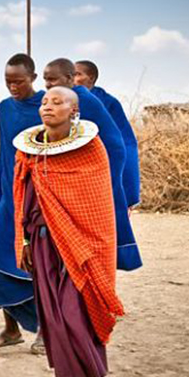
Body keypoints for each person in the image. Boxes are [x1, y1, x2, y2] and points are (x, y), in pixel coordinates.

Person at [13, 86, 124, 377]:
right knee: (54, 315)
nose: (47, 106)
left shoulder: (91, 149)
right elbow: (23, 199)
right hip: (41, 243)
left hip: (81, 246)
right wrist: (24, 240)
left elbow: (96, 206)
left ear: (74, 110)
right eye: (45, 101)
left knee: (75, 312)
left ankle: (86, 372)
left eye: (57, 102)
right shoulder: (28, 152)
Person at [43, 59, 142, 271]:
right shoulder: (61, 100)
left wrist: (117, 186)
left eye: (79, 75)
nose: (48, 85)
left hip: (97, 176)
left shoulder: (85, 100)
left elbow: (122, 145)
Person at [0, 54, 44, 352]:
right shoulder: (4, 109)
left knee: (39, 266)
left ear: (33, 78)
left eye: (19, 81)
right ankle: (11, 330)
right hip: (10, 198)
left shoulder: (49, 104)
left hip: (39, 199)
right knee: (0, 264)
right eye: (8, 81)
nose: (13, 87)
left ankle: (46, 331)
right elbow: (2, 156)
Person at [74, 60, 141, 207]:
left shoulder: (107, 102)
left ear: (91, 78)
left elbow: (124, 138)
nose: (72, 78)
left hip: (107, 159)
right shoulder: (70, 100)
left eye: (77, 74)